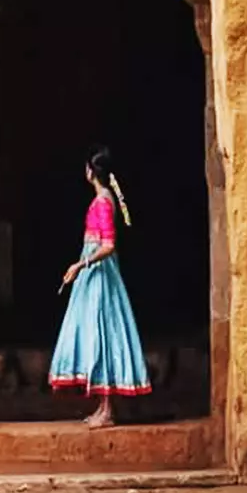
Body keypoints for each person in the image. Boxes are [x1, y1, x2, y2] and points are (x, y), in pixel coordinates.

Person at [49, 146, 150, 427]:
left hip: (101, 276)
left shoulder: (103, 202)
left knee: (102, 334)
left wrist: (81, 265)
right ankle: (102, 407)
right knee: (96, 334)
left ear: (91, 172)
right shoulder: (103, 200)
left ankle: (107, 410)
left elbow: (108, 245)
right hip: (94, 272)